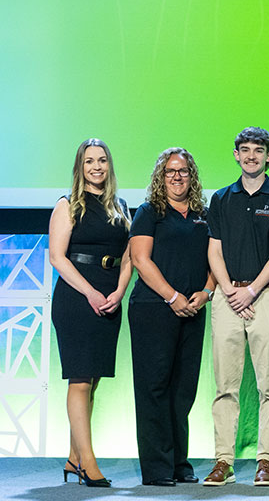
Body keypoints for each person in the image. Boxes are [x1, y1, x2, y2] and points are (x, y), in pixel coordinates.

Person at [204, 127, 269, 487]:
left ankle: (265, 461)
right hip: (227, 298)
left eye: (259, 150)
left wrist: (252, 291)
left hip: (265, 295)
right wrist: (229, 290)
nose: (252, 155)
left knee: (268, 384)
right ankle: (223, 460)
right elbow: (214, 249)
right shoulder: (222, 198)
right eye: (245, 150)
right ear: (236, 155)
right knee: (225, 385)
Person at [48, 138, 132, 488]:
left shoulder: (121, 206)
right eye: (89, 162)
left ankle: (73, 456)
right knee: (80, 379)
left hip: (110, 294)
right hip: (77, 297)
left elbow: (130, 255)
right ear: (79, 167)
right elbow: (57, 257)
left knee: (92, 381)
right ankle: (88, 464)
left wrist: (118, 290)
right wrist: (91, 292)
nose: (96, 167)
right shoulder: (67, 205)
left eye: (102, 161)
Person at [128, 148, 214, 486]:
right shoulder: (150, 213)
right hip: (154, 308)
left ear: (192, 177)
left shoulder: (203, 215)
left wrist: (206, 292)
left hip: (193, 309)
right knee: (155, 387)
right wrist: (172, 296)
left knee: (183, 390)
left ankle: (180, 462)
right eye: (170, 172)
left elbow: (214, 259)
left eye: (183, 171)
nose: (177, 177)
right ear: (160, 177)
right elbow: (140, 259)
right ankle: (157, 468)